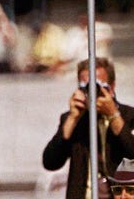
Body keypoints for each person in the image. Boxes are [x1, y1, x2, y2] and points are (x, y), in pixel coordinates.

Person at [42, 57, 134, 199]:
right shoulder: (73, 119)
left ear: (112, 87)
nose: (93, 92)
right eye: (87, 87)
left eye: (98, 86)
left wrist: (114, 116)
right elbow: (50, 162)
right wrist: (73, 119)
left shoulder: (129, 116)